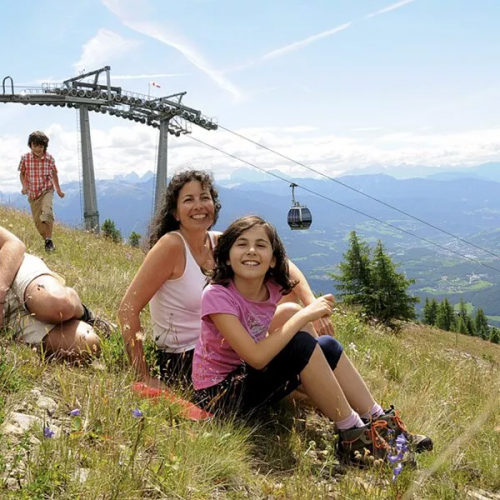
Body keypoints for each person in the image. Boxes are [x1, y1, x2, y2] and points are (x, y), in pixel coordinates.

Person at [192, 215, 433, 461]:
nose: (251, 251)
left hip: (248, 380)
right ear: (226, 256)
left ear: (273, 260)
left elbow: (291, 272)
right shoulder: (216, 295)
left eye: (261, 245)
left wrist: (309, 304)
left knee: (326, 344)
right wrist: (306, 313)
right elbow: (255, 357)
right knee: (300, 343)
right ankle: (352, 434)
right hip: (219, 397)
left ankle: (381, 422)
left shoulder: (271, 286)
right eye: (241, 244)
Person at [118, 169, 333, 389]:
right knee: (295, 359)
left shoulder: (217, 242)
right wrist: (142, 375)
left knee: (290, 310)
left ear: (214, 205)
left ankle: (325, 385)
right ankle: (321, 388)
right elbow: (127, 309)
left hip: (227, 345)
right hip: (188, 358)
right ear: (175, 212)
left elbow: (284, 264)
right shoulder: (171, 246)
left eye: (204, 198)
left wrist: (312, 304)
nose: (199, 205)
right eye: (188, 200)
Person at [0, 225, 102, 361]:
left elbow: (14, 244)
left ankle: (84, 313)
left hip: (11, 270)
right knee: (86, 344)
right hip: (9, 319)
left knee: (57, 302)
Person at [19, 131, 65, 252]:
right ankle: (48, 241)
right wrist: (24, 186)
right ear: (30, 145)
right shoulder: (25, 158)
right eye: (35, 146)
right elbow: (22, 174)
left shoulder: (50, 159)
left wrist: (59, 190)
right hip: (33, 194)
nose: (37, 149)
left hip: (46, 190)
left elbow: (54, 173)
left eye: (40, 146)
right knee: (39, 223)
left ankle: (48, 240)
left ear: (44, 146)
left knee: (47, 212)